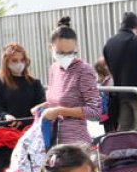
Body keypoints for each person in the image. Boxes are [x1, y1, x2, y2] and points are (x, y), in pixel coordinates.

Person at [43, 17, 101, 146]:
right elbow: (57, 101)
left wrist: (60, 111)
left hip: (76, 143)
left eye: (70, 53)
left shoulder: (84, 70)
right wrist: (44, 106)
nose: (66, 57)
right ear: (50, 48)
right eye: (60, 53)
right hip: (54, 139)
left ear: (76, 48)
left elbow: (95, 111)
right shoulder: (53, 69)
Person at [102, 12, 137, 133]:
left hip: (121, 93)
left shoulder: (109, 44)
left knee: (124, 130)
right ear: (136, 26)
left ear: (122, 24)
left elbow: (109, 68)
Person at [0, 43, 47, 123]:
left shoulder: (35, 83)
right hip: (9, 127)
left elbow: (42, 105)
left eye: (22, 60)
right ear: (6, 62)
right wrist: (5, 116)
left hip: (32, 127)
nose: (19, 63)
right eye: (14, 60)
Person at [94, 58, 114, 129]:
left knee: (107, 129)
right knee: (112, 129)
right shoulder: (110, 80)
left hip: (104, 113)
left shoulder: (99, 82)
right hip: (109, 111)